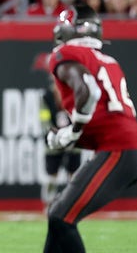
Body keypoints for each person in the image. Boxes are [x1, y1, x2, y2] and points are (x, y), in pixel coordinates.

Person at [44, 4, 137, 252]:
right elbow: (103, 115)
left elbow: (88, 90)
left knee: (62, 217)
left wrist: (72, 131)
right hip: (130, 148)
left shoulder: (67, 53)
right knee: (58, 215)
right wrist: (70, 136)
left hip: (120, 150)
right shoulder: (108, 61)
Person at [33, 53, 81, 209]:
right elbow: (44, 118)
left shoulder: (74, 94)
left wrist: (75, 131)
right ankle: (48, 203)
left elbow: (79, 113)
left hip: (72, 137)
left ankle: (71, 203)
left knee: (73, 174)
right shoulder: (46, 96)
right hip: (54, 138)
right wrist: (51, 132)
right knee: (51, 175)